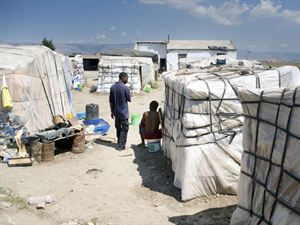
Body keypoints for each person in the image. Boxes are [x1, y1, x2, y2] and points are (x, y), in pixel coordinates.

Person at [109, 72, 131, 150]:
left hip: (116, 112)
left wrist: (112, 112)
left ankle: (119, 142)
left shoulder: (112, 87)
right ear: (123, 78)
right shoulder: (125, 88)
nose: (127, 80)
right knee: (124, 128)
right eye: (127, 78)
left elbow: (111, 102)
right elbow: (129, 99)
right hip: (124, 112)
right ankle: (121, 146)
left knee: (118, 127)